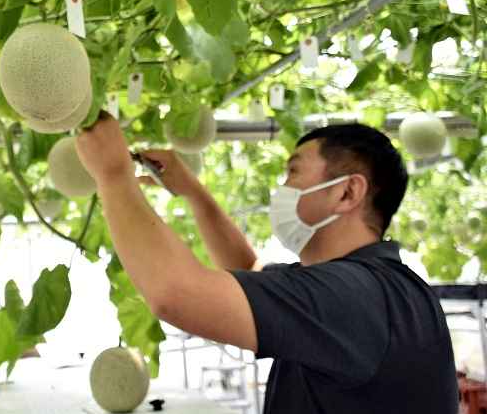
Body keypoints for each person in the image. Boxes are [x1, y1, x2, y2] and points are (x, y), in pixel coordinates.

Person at [76, 112, 458, 414]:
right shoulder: (370, 285)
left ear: (347, 192)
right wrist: (192, 192)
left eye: (293, 172)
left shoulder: (355, 296)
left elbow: (175, 293)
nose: (282, 189)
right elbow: (249, 271)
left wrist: (113, 175)